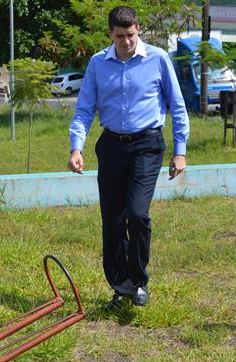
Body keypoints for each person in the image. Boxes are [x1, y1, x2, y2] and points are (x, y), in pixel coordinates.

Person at [68, 5, 189, 310]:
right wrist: (76, 147)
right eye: (120, 36)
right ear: (111, 33)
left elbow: (177, 106)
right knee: (112, 221)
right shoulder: (98, 63)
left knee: (137, 214)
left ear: (138, 30)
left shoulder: (158, 59)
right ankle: (121, 288)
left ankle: (139, 281)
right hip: (111, 146)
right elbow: (84, 109)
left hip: (147, 145)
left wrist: (180, 151)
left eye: (131, 35)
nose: (126, 42)